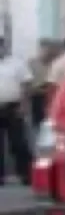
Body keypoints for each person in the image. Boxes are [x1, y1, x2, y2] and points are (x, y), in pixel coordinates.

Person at [0, 37, 32, 185]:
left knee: (18, 143)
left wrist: (24, 105)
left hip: (13, 107)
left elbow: (26, 84)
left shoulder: (16, 63)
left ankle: (26, 174)